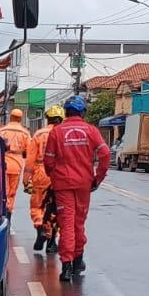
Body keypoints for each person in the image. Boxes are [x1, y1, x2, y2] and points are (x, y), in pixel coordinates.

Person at [43, 94, 110, 283]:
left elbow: (48, 161)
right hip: (84, 184)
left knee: (66, 224)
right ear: (83, 112)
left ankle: (66, 266)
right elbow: (105, 155)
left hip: (63, 184)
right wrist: (97, 178)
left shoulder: (56, 132)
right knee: (78, 223)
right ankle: (78, 259)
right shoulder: (91, 131)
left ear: (66, 111)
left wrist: (54, 176)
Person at [25, 105, 65, 252]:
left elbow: (30, 159)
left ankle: (41, 229)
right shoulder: (63, 134)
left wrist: (26, 178)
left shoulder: (38, 134)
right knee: (56, 208)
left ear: (47, 118)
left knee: (37, 206)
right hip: (58, 174)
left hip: (40, 173)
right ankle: (51, 241)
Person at [0, 107, 31, 211]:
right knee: (12, 192)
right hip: (17, 165)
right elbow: (29, 152)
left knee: (3, 191)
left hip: (3, 163)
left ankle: (4, 211)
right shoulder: (25, 133)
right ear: (20, 119)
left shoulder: (1, 130)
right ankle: (9, 211)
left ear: (10, 117)